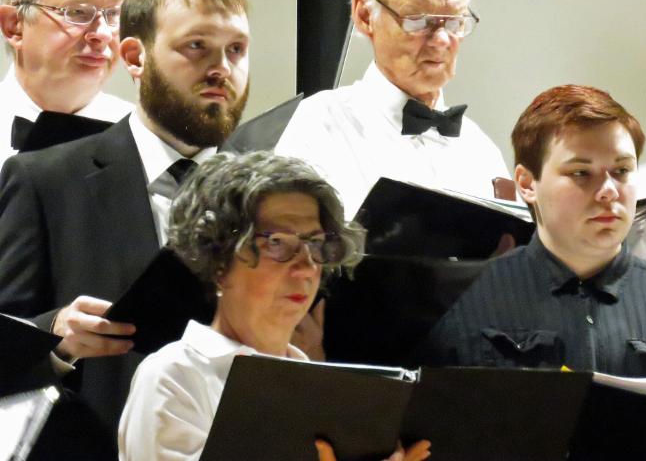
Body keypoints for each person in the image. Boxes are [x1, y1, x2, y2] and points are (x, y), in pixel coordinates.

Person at [0, 0, 251, 454]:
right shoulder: (45, 180)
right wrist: (57, 336)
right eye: (196, 46)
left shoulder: (269, 194)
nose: (222, 68)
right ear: (134, 56)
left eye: (237, 49)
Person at [418, 85, 646, 402]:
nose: (609, 191)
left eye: (622, 171)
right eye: (581, 173)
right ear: (526, 184)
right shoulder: (461, 303)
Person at [118, 152, 428, 461]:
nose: (306, 268)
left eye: (315, 243)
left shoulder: (322, 384)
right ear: (219, 260)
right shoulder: (176, 376)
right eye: (277, 243)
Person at [276, 0, 509, 219]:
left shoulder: (480, 149)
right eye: (418, 20)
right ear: (364, 16)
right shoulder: (319, 125)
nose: (441, 40)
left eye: (454, 22)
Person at [0, 0, 133, 163]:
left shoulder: (144, 136)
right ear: (14, 26)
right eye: (77, 12)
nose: (102, 34)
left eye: (113, 14)